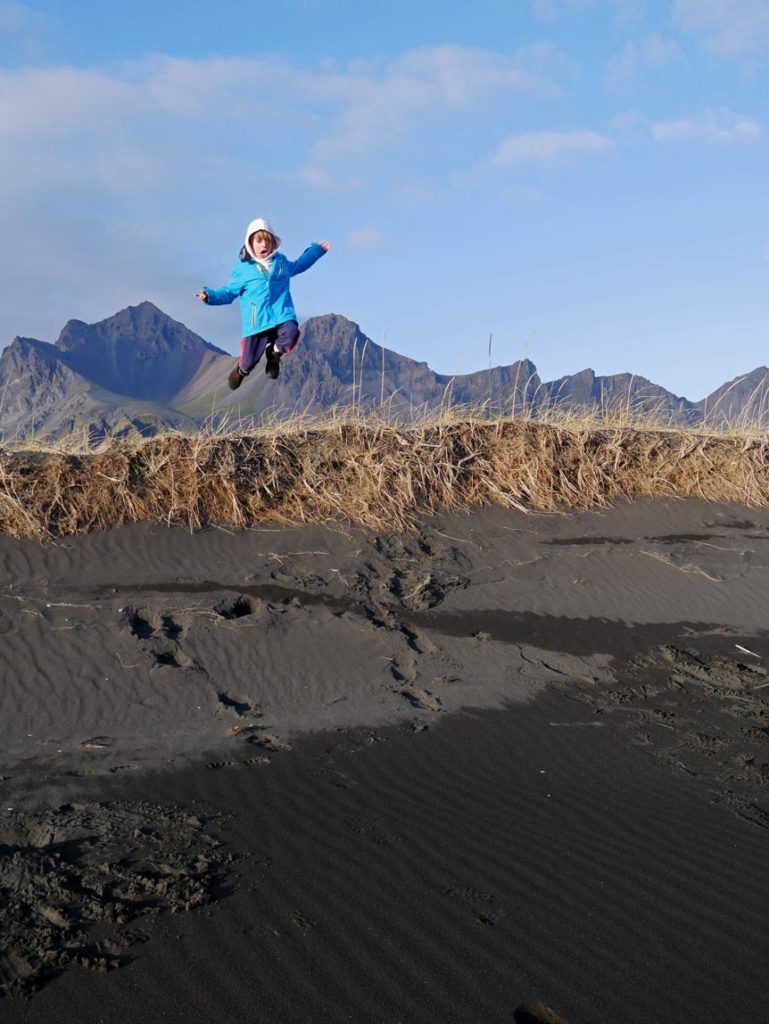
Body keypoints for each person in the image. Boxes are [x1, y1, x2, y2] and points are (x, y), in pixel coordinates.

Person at [196, 218, 330, 389]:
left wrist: (316, 251)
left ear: (273, 244)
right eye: (259, 240)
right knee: (249, 361)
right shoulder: (243, 269)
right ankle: (242, 370)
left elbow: (298, 266)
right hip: (256, 321)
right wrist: (209, 296)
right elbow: (228, 292)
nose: (263, 244)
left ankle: (274, 353)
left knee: (292, 332)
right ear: (250, 243)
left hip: (281, 314)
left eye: (267, 240)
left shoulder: (280, 262)